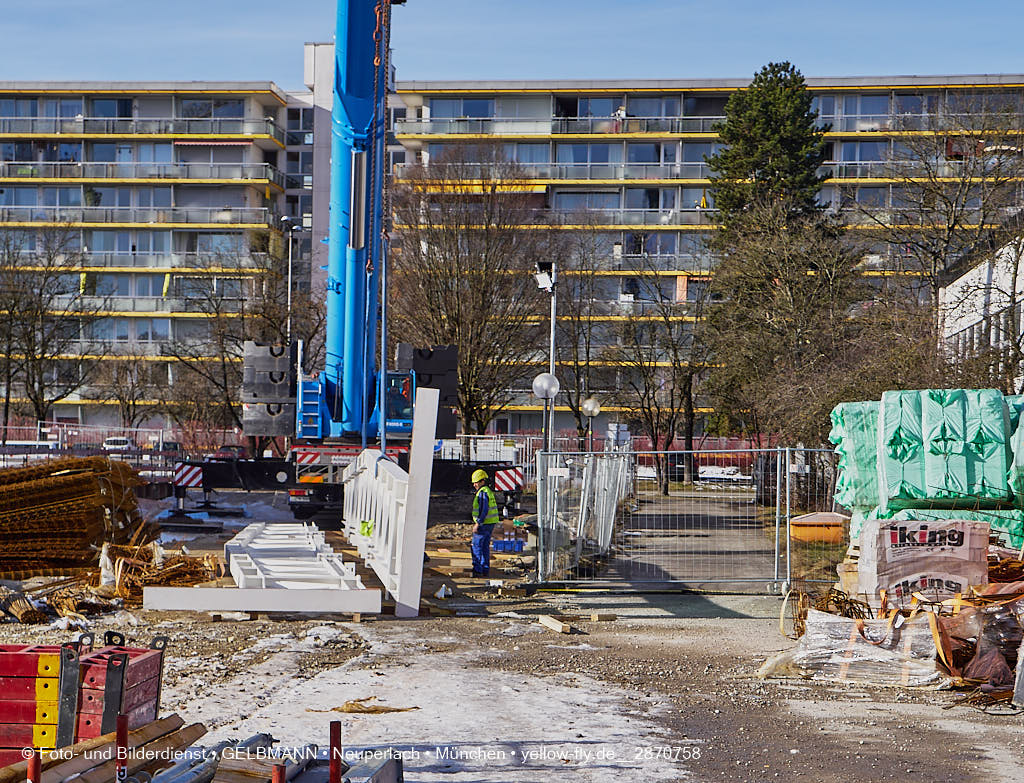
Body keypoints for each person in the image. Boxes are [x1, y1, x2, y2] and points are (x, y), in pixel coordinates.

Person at [469, 468, 499, 577]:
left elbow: (484, 510)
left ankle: (477, 570)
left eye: (476, 482)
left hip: (484, 524)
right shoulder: (487, 491)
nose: (474, 485)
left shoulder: (482, 493)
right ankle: (485, 569)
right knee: (485, 546)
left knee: (476, 546)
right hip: (490, 523)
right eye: (474, 483)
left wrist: (478, 523)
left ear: (482, 481)